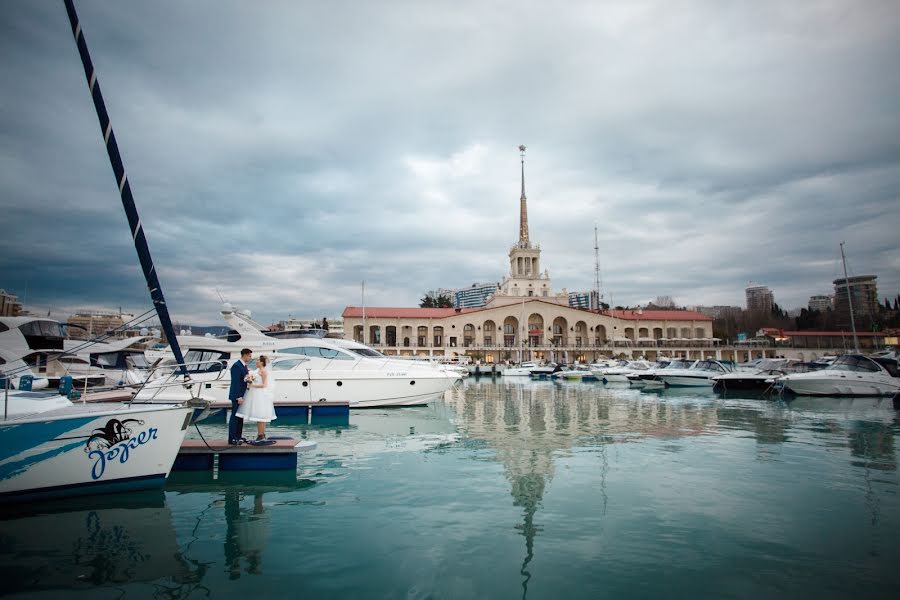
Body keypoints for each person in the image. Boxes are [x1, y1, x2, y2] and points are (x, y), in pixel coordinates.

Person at [236, 354, 276, 441]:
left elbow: (264, 385)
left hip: (261, 394)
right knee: (258, 414)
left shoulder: (264, 371)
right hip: (256, 394)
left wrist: (252, 385)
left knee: (261, 415)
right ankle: (261, 434)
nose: (256, 362)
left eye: (258, 361)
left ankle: (261, 434)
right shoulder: (257, 370)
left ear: (262, 363)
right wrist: (249, 379)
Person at [228, 348, 252, 445]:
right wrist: (238, 397)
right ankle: (232, 438)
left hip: (242, 395)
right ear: (245, 355)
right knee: (235, 416)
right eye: (249, 356)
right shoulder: (236, 366)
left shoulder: (244, 366)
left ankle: (238, 436)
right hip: (237, 396)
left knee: (240, 417)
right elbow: (236, 382)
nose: (250, 358)